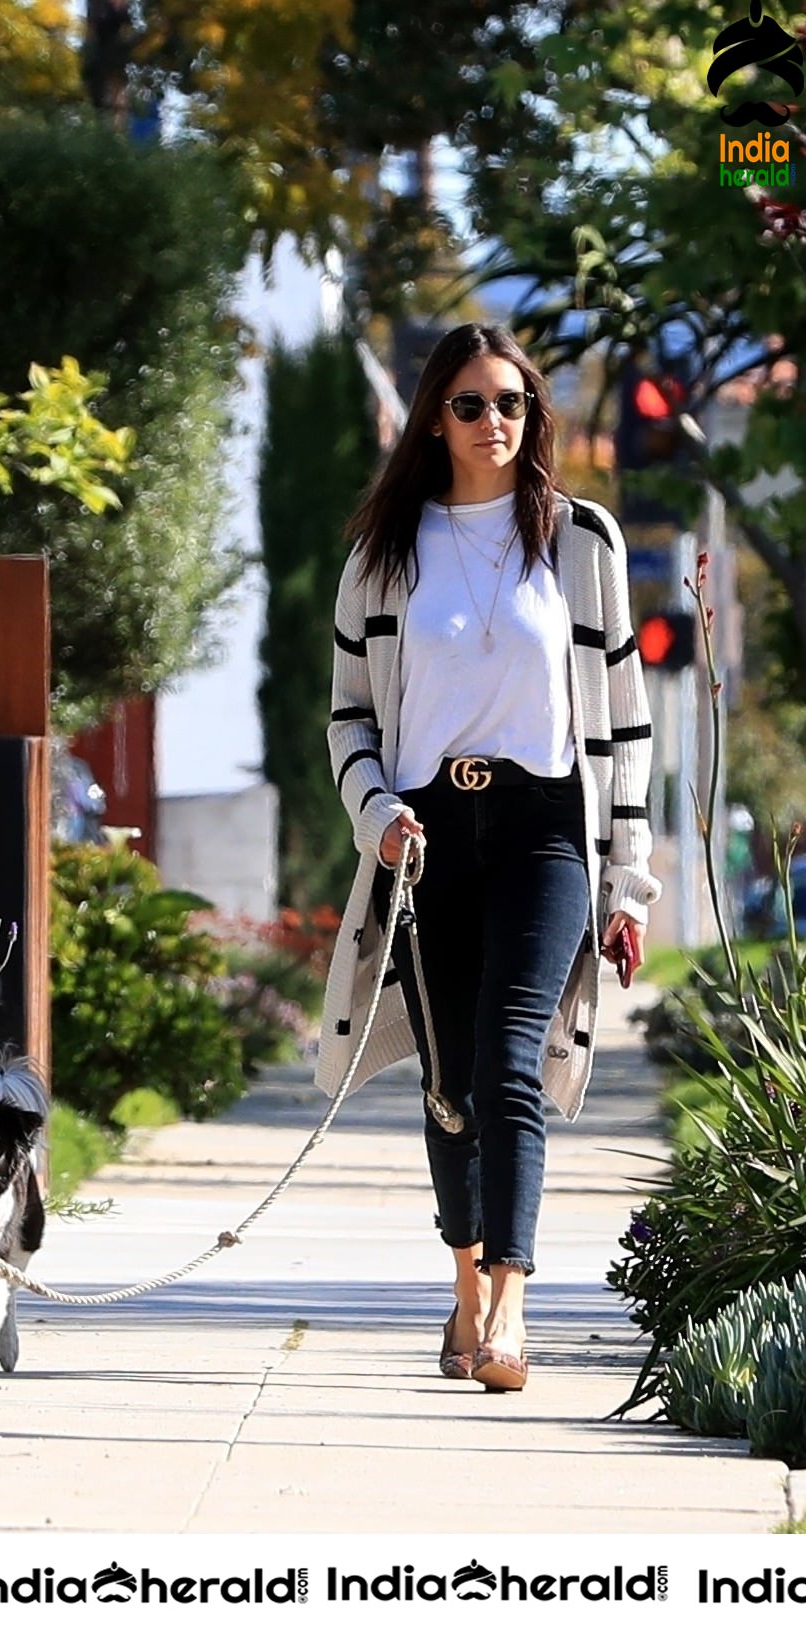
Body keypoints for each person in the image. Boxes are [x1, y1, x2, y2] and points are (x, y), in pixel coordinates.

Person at [315, 323, 661, 1392]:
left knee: (511, 1064)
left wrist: (626, 882)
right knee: (450, 1083)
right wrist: (374, 811)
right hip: (423, 838)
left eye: (509, 403)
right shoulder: (382, 552)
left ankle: (510, 1301)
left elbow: (623, 720)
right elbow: (347, 720)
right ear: (433, 416)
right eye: (468, 404)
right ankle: (462, 1288)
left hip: (542, 827)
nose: (491, 422)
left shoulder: (576, 539)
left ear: (531, 417)